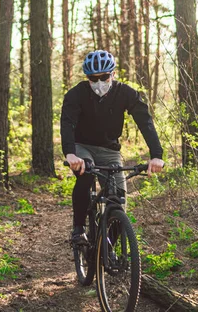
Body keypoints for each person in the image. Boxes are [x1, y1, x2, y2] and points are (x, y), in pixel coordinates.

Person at [60, 50, 165, 244]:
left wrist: (156, 155)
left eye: (104, 77)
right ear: (87, 78)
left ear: (113, 74)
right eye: (93, 78)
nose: (99, 83)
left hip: (110, 150)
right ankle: (78, 229)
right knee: (86, 173)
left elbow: (145, 122)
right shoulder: (76, 94)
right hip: (82, 146)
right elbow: (67, 123)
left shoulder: (125, 93)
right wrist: (70, 154)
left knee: (118, 199)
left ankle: (105, 247)